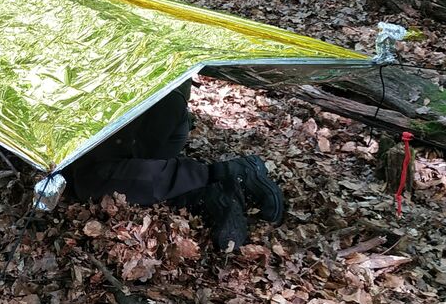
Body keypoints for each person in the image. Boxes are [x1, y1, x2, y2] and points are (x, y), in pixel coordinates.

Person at [65, 80, 286, 251]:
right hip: (160, 111)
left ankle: (228, 172)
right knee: (117, 175)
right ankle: (208, 195)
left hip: (150, 108)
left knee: (90, 180)